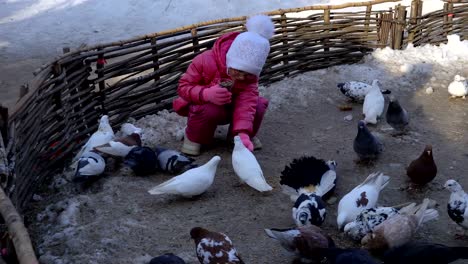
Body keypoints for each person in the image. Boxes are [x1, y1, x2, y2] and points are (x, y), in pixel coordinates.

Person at [172, 14, 274, 156]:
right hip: (207, 105)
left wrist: (243, 132)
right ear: (231, 60)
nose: (242, 77)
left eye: (248, 74)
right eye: (239, 72)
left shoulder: (249, 77)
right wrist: (206, 94)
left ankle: (237, 138)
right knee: (209, 109)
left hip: (232, 108)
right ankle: (194, 137)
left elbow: (247, 101)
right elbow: (183, 87)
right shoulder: (204, 60)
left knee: (257, 105)